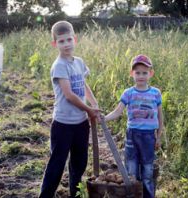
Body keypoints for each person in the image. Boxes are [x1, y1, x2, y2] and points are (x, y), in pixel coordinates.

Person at [39, 21, 100, 198]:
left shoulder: (79, 62)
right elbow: (69, 94)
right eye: (61, 41)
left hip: (80, 124)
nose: (66, 44)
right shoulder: (59, 65)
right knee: (57, 164)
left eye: (68, 40)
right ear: (54, 44)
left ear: (75, 39)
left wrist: (94, 103)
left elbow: (83, 84)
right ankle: (46, 195)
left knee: (79, 163)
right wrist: (89, 110)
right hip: (63, 124)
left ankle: (76, 194)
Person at [103, 54, 163, 198]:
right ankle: (133, 195)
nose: (141, 76)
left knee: (148, 171)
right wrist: (104, 119)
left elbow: (160, 116)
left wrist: (159, 136)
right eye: (137, 73)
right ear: (131, 73)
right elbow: (118, 111)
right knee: (132, 170)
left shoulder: (155, 93)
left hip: (149, 136)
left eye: (144, 72)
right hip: (132, 135)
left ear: (150, 74)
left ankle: (148, 195)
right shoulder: (128, 93)